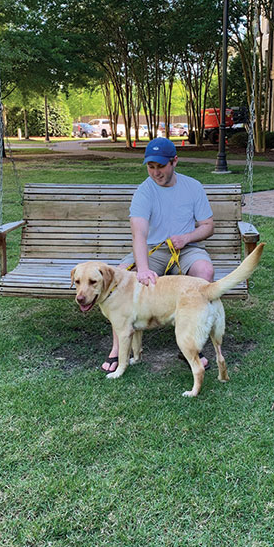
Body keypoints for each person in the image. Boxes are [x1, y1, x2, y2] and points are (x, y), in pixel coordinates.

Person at [101, 137, 215, 373]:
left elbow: (207, 226)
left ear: (175, 161)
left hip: (186, 248)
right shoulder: (144, 191)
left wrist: (187, 238)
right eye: (150, 167)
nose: (155, 172)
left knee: (205, 272)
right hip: (153, 249)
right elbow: (139, 235)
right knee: (122, 275)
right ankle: (116, 347)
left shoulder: (193, 186)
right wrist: (142, 269)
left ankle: (192, 343)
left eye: (161, 166)